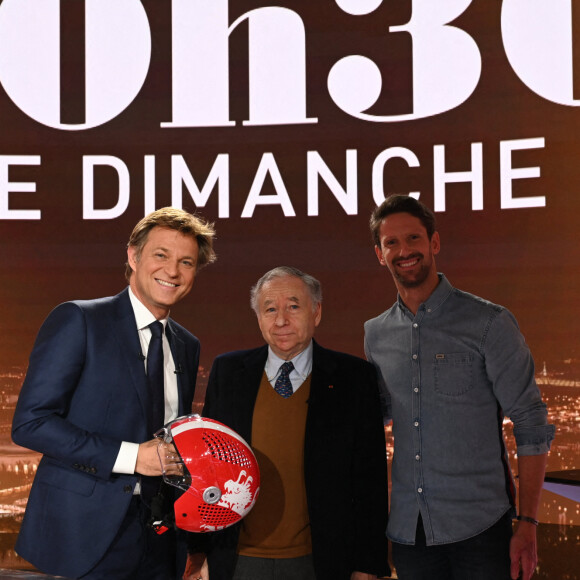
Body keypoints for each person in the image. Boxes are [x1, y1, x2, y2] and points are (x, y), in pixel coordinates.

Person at [11, 207, 216, 579]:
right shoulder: (80, 320)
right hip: (86, 536)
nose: (172, 271)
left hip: (163, 538)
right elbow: (31, 423)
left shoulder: (187, 344)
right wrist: (134, 457)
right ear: (133, 256)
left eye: (186, 262)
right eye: (161, 255)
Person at [364, 194, 555, 580]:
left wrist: (529, 522)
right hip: (409, 533)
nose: (405, 251)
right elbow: (375, 416)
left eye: (414, 239)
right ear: (380, 254)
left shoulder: (489, 323)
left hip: (482, 529)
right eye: (392, 243)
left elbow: (531, 423)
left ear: (434, 243)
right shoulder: (375, 334)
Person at [185, 266, 390, 580]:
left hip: (320, 561)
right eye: (270, 309)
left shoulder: (353, 378)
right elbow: (205, 468)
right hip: (237, 559)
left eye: (293, 307)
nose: (281, 320)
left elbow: (369, 482)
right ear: (258, 318)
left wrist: (367, 566)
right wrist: (198, 551)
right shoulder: (228, 372)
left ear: (316, 312)